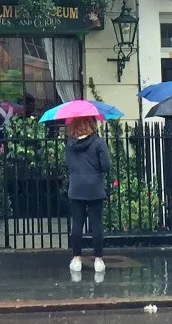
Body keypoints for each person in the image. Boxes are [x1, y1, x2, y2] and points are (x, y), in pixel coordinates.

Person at [65, 116, 110, 276]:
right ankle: (98, 260)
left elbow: (68, 164)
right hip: (94, 188)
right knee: (96, 224)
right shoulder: (98, 142)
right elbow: (106, 166)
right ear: (91, 124)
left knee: (77, 224)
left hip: (76, 187)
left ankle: (77, 259)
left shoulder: (70, 144)